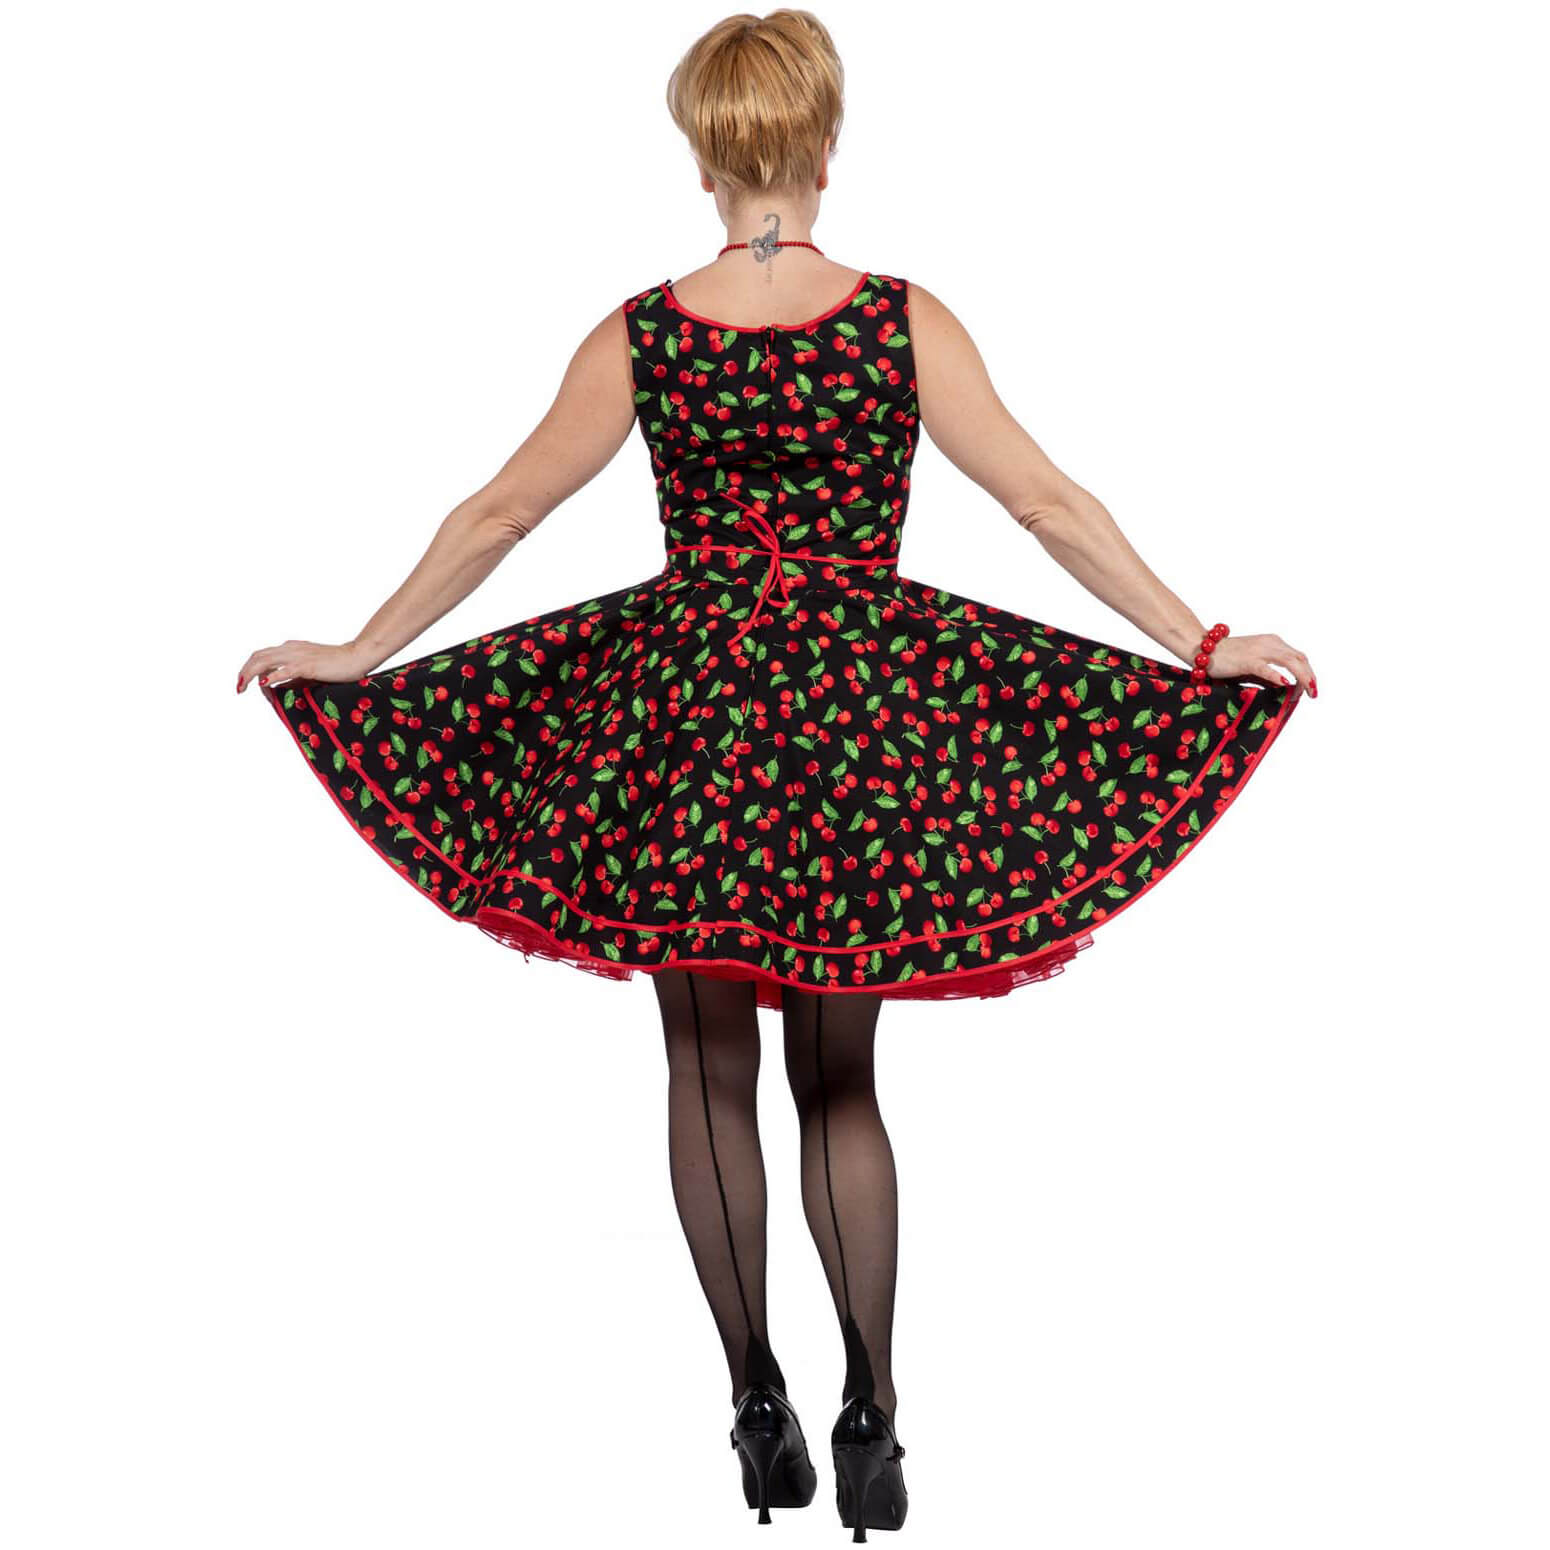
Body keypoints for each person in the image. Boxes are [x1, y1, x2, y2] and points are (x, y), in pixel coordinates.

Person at [237, 9, 1315, 1538]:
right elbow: (1045, 504)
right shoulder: (897, 320)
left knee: (702, 1067)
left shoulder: (641, 333)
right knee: (837, 1076)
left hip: (686, 728)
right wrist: (1198, 640)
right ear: (826, 145)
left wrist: (359, 650)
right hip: (855, 729)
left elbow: (498, 516)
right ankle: (872, 1396)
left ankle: (754, 1386)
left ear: (701, 158)